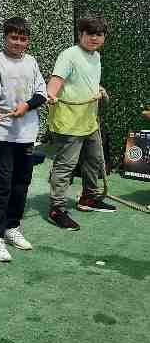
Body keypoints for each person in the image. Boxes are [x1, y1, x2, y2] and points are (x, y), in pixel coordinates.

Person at [0, 17, 47, 262]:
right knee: (2, 183)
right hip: (2, 131)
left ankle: (12, 227)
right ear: (5, 37)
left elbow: (41, 93)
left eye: (23, 38)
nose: (18, 42)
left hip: (26, 133)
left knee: (21, 182)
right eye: (13, 37)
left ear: (28, 41)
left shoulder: (32, 62)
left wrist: (27, 106)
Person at [47, 14, 115, 231]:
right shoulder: (69, 55)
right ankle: (56, 209)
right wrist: (51, 95)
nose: (95, 38)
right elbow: (55, 82)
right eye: (90, 33)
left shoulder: (96, 56)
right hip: (68, 122)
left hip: (89, 121)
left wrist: (99, 89)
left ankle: (88, 198)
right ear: (80, 34)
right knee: (65, 165)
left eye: (99, 34)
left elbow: (86, 80)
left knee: (95, 161)